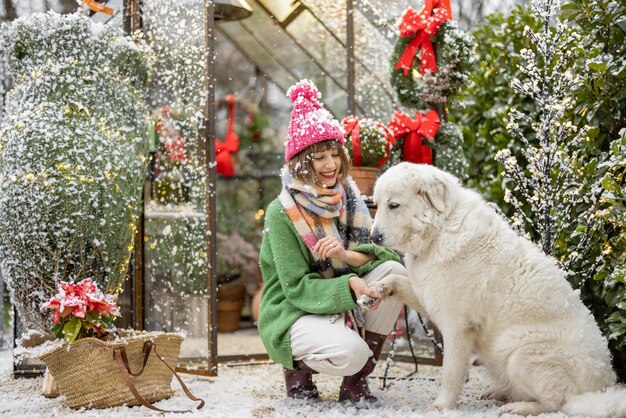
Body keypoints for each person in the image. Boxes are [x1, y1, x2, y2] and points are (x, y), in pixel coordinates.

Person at [257, 79, 407, 406]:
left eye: (334, 154)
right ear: (301, 162)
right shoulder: (282, 213)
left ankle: (355, 385)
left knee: (396, 273)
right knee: (351, 353)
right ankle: (297, 373)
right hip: (293, 310)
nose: (330, 165)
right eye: (319, 157)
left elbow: (384, 254)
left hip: (340, 294)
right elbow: (295, 287)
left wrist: (346, 256)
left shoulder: (348, 197)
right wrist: (348, 286)